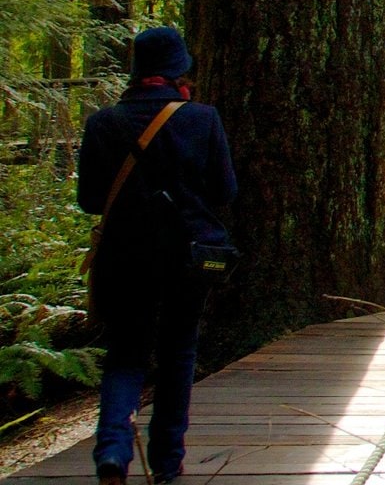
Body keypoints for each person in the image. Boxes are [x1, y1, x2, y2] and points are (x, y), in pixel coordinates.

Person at [78, 26, 236, 485]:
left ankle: (111, 449)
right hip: (187, 257)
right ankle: (167, 461)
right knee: (178, 353)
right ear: (177, 70)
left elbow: (90, 199)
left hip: (123, 258)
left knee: (125, 352)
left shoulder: (103, 123)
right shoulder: (202, 118)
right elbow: (226, 191)